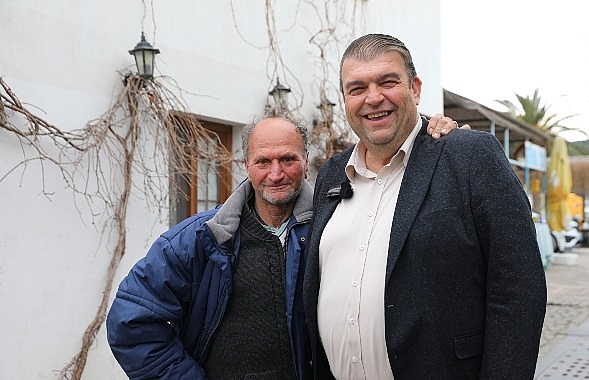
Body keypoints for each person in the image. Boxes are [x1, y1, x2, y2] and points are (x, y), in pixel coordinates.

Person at [106, 106, 461, 379]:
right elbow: (132, 321)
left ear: (306, 162)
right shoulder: (201, 238)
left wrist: (439, 141)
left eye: (288, 159)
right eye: (263, 161)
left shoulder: (338, 227)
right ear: (246, 164)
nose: (276, 173)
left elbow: (392, 177)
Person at [303, 33, 547, 379]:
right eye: (357, 89)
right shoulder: (330, 174)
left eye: (388, 82)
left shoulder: (469, 157)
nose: (373, 98)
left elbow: (519, 290)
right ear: (345, 100)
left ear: (415, 89)